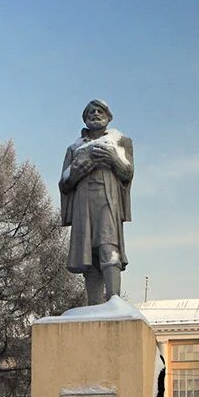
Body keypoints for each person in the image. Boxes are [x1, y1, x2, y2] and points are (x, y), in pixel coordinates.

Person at [59, 99, 135, 305]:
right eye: (90, 111)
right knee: (89, 255)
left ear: (108, 117)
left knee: (108, 247)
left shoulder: (120, 142)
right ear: (85, 118)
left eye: (100, 111)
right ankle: (94, 306)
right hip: (83, 205)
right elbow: (64, 184)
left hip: (107, 200)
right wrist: (75, 173)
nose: (95, 114)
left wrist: (113, 159)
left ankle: (114, 301)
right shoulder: (74, 148)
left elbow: (127, 173)